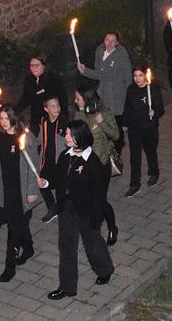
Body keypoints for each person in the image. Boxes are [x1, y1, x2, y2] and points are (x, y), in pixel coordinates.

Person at [47, 120, 115, 300]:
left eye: (70, 134)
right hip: (67, 210)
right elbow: (57, 179)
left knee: (92, 243)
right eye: (67, 133)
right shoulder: (65, 156)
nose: (66, 137)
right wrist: (46, 183)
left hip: (86, 211)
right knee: (67, 247)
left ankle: (104, 269)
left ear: (80, 137)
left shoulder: (92, 163)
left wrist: (96, 218)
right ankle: (67, 286)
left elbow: (99, 194)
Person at [0, 107, 40, 282]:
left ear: (14, 119)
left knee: (14, 227)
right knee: (18, 224)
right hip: (5, 188)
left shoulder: (25, 137)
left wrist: (32, 191)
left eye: (7, 118)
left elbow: (33, 166)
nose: (3, 121)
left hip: (21, 189)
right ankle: (28, 248)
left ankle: (10, 266)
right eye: (1, 118)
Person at [73, 89, 120, 244]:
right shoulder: (78, 115)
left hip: (101, 165)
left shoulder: (104, 113)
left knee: (99, 199)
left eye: (78, 98)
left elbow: (116, 135)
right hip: (85, 166)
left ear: (86, 99)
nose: (75, 101)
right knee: (90, 198)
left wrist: (102, 123)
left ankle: (111, 227)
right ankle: (95, 224)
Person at [78, 31, 133, 155]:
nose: (109, 43)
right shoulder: (99, 51)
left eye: (113, 41)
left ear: (117, 42)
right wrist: (85, 70)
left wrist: (85, 71)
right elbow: (99, 71)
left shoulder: (121, 55)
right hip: (103, 92)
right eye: (107, 40)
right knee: (103, 120)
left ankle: (117, 149)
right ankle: (106, 147)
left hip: (116, 93)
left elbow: (108, 74)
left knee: (116, 123)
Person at [122, 65, 164, 196]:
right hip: (134, 128)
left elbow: (161, 109)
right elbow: (127, 107)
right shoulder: (131, 89)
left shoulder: (153, 88)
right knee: (135, 157)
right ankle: (134, 184)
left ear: (145, 75)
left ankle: (153, 173)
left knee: (150, 151)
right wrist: (124, 122)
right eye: (135, 76)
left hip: (149, 127)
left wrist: (154, 112)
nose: (137, 79)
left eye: (140, 75)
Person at [35, 96, 68, 224]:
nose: (57, 108)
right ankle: (52, 208)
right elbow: (39, 139)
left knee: (61, 187)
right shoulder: (43, 121)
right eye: (53, 106)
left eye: (58, 105)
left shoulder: (63, 123)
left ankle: (62, 209)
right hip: (45, 160)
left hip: (59, 162)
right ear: (46, 109)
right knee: (42, 184)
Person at [15, 55, 67, 129]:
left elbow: (63, 99)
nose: (34, 68)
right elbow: (26, 98)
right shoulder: (29, 80)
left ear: (43, 65)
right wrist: (15, 110)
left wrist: (63, 118)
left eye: (37, 65)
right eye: (31, 65)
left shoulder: (53, 79)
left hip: (51, 117)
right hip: (36, 118)